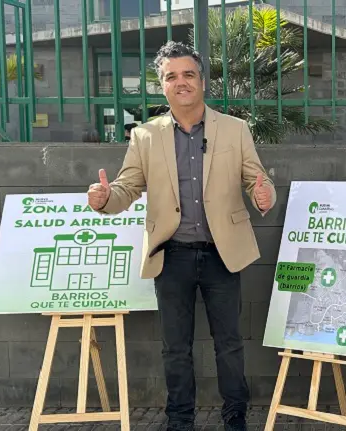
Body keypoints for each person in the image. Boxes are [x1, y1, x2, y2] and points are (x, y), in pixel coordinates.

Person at [86, 41, 276, 431]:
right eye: (171, 76)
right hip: (171, 256)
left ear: (202, 81)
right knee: (175, 348)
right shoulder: (145, 136)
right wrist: (105, 199)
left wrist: (264, 194)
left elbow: (257, 178)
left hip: (223, 254)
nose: (181, 82)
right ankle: (180, 421)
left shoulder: (235, 130)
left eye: (188, 74)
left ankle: (235, 418)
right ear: (163, 86)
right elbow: (127, 188)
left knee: (230, 344)